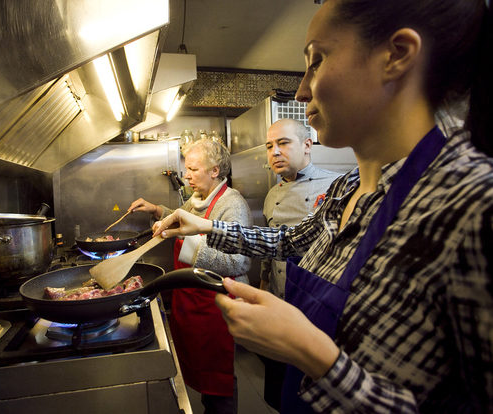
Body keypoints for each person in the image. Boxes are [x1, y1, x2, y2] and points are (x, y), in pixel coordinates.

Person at [152, 0, 493, 412]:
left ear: (397, 55)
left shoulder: (473, 205)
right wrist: (205, 228)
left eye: (317, 60)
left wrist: (314, 355)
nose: (301, 90)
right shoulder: (347, 188)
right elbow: (287, 240)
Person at [128, 138, 252, 414]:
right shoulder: (197, 198)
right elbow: (182, 218)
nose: (186, 174)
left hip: (217, 306)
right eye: (186, 168)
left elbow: (239, 261)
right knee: (204, 380)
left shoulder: (233, 205)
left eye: (193, 169)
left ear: (215, 171)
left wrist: (191, 248)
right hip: (193, 303)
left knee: (219, 384)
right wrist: (159, 212)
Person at [260, 118, 340, 410]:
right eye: (270, 146)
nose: (275, 152)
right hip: (280, 303)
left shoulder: (334, 186)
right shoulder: (271, 195)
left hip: (316, 306)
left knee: (311, 392)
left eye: (283, 143)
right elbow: (271, 246)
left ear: (307, 145)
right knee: (280, 391)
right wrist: (265, 285)